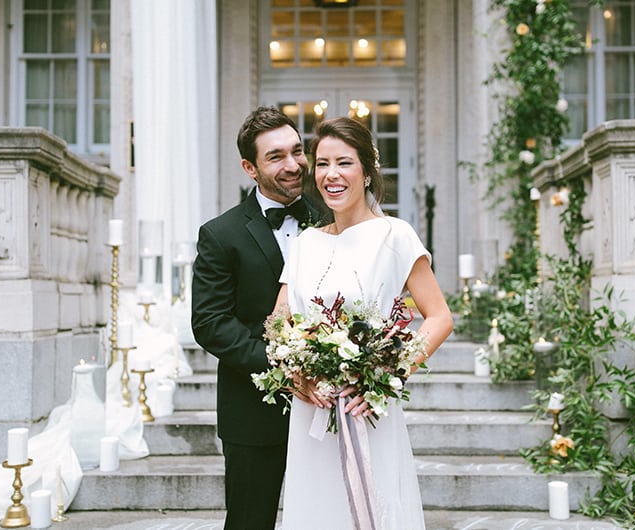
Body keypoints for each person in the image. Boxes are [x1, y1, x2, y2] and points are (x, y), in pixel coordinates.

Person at [274, 116, 454, 529]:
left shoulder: (395, 235)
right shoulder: (305, 243)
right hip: (311, 415)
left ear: (368, 171)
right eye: (321, 163)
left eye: (344, 163)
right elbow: (279, 323)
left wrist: (386, 374)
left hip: (364, 409)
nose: (330, 175)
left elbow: (440, 316)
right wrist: (293, 375)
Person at [190, 106, 322, 530]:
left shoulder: (332, 219)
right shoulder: (221, 234)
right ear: (250, 167)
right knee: (250, 521)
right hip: (252, 409)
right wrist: (281, 364)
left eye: (297, 151)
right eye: (276, 156)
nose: (293, 165)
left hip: (327, 406)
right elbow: (210, 323)